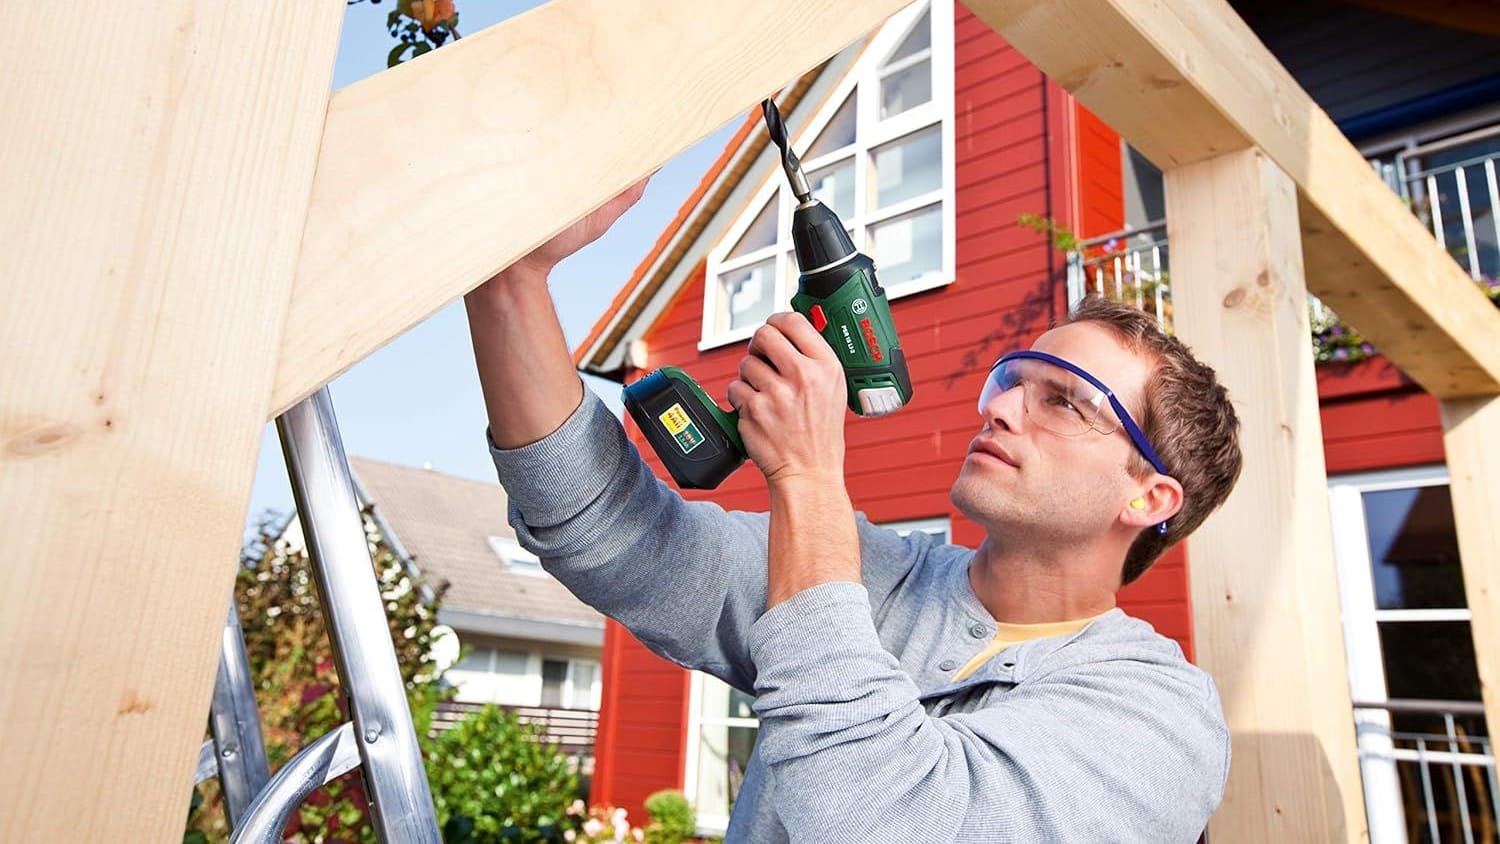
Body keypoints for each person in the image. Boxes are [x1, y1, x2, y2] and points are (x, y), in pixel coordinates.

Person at [466, 179, 1243, 842]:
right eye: (1013, 380)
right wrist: (510, 281)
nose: (1001, 408)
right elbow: (607, 529)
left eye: (1066, 403)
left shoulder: (1160, 718)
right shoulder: (880, 577)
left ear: (1149, 496)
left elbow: (883, 818)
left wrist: (805, 475)